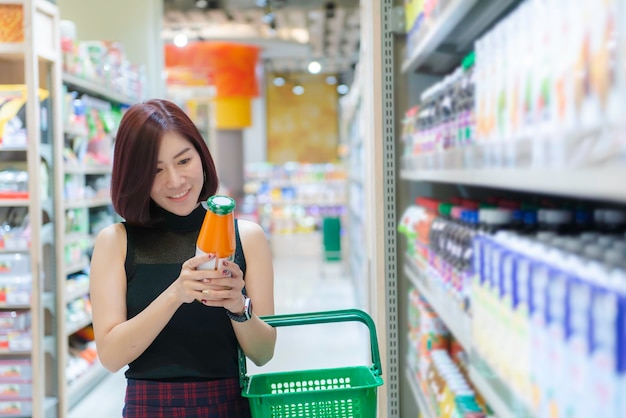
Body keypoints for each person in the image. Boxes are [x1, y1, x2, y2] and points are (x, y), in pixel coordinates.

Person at [89, 98, 276, 417]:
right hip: (148, 407)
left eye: (183, 161)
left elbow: (263, 353)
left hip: (228, 405)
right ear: (134, 177)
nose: (175, 181)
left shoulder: (247, 237)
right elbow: (111, 356)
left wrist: (237, 307)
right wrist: (177, 293)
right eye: (155, 170)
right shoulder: (116, 242)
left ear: (201, 157)